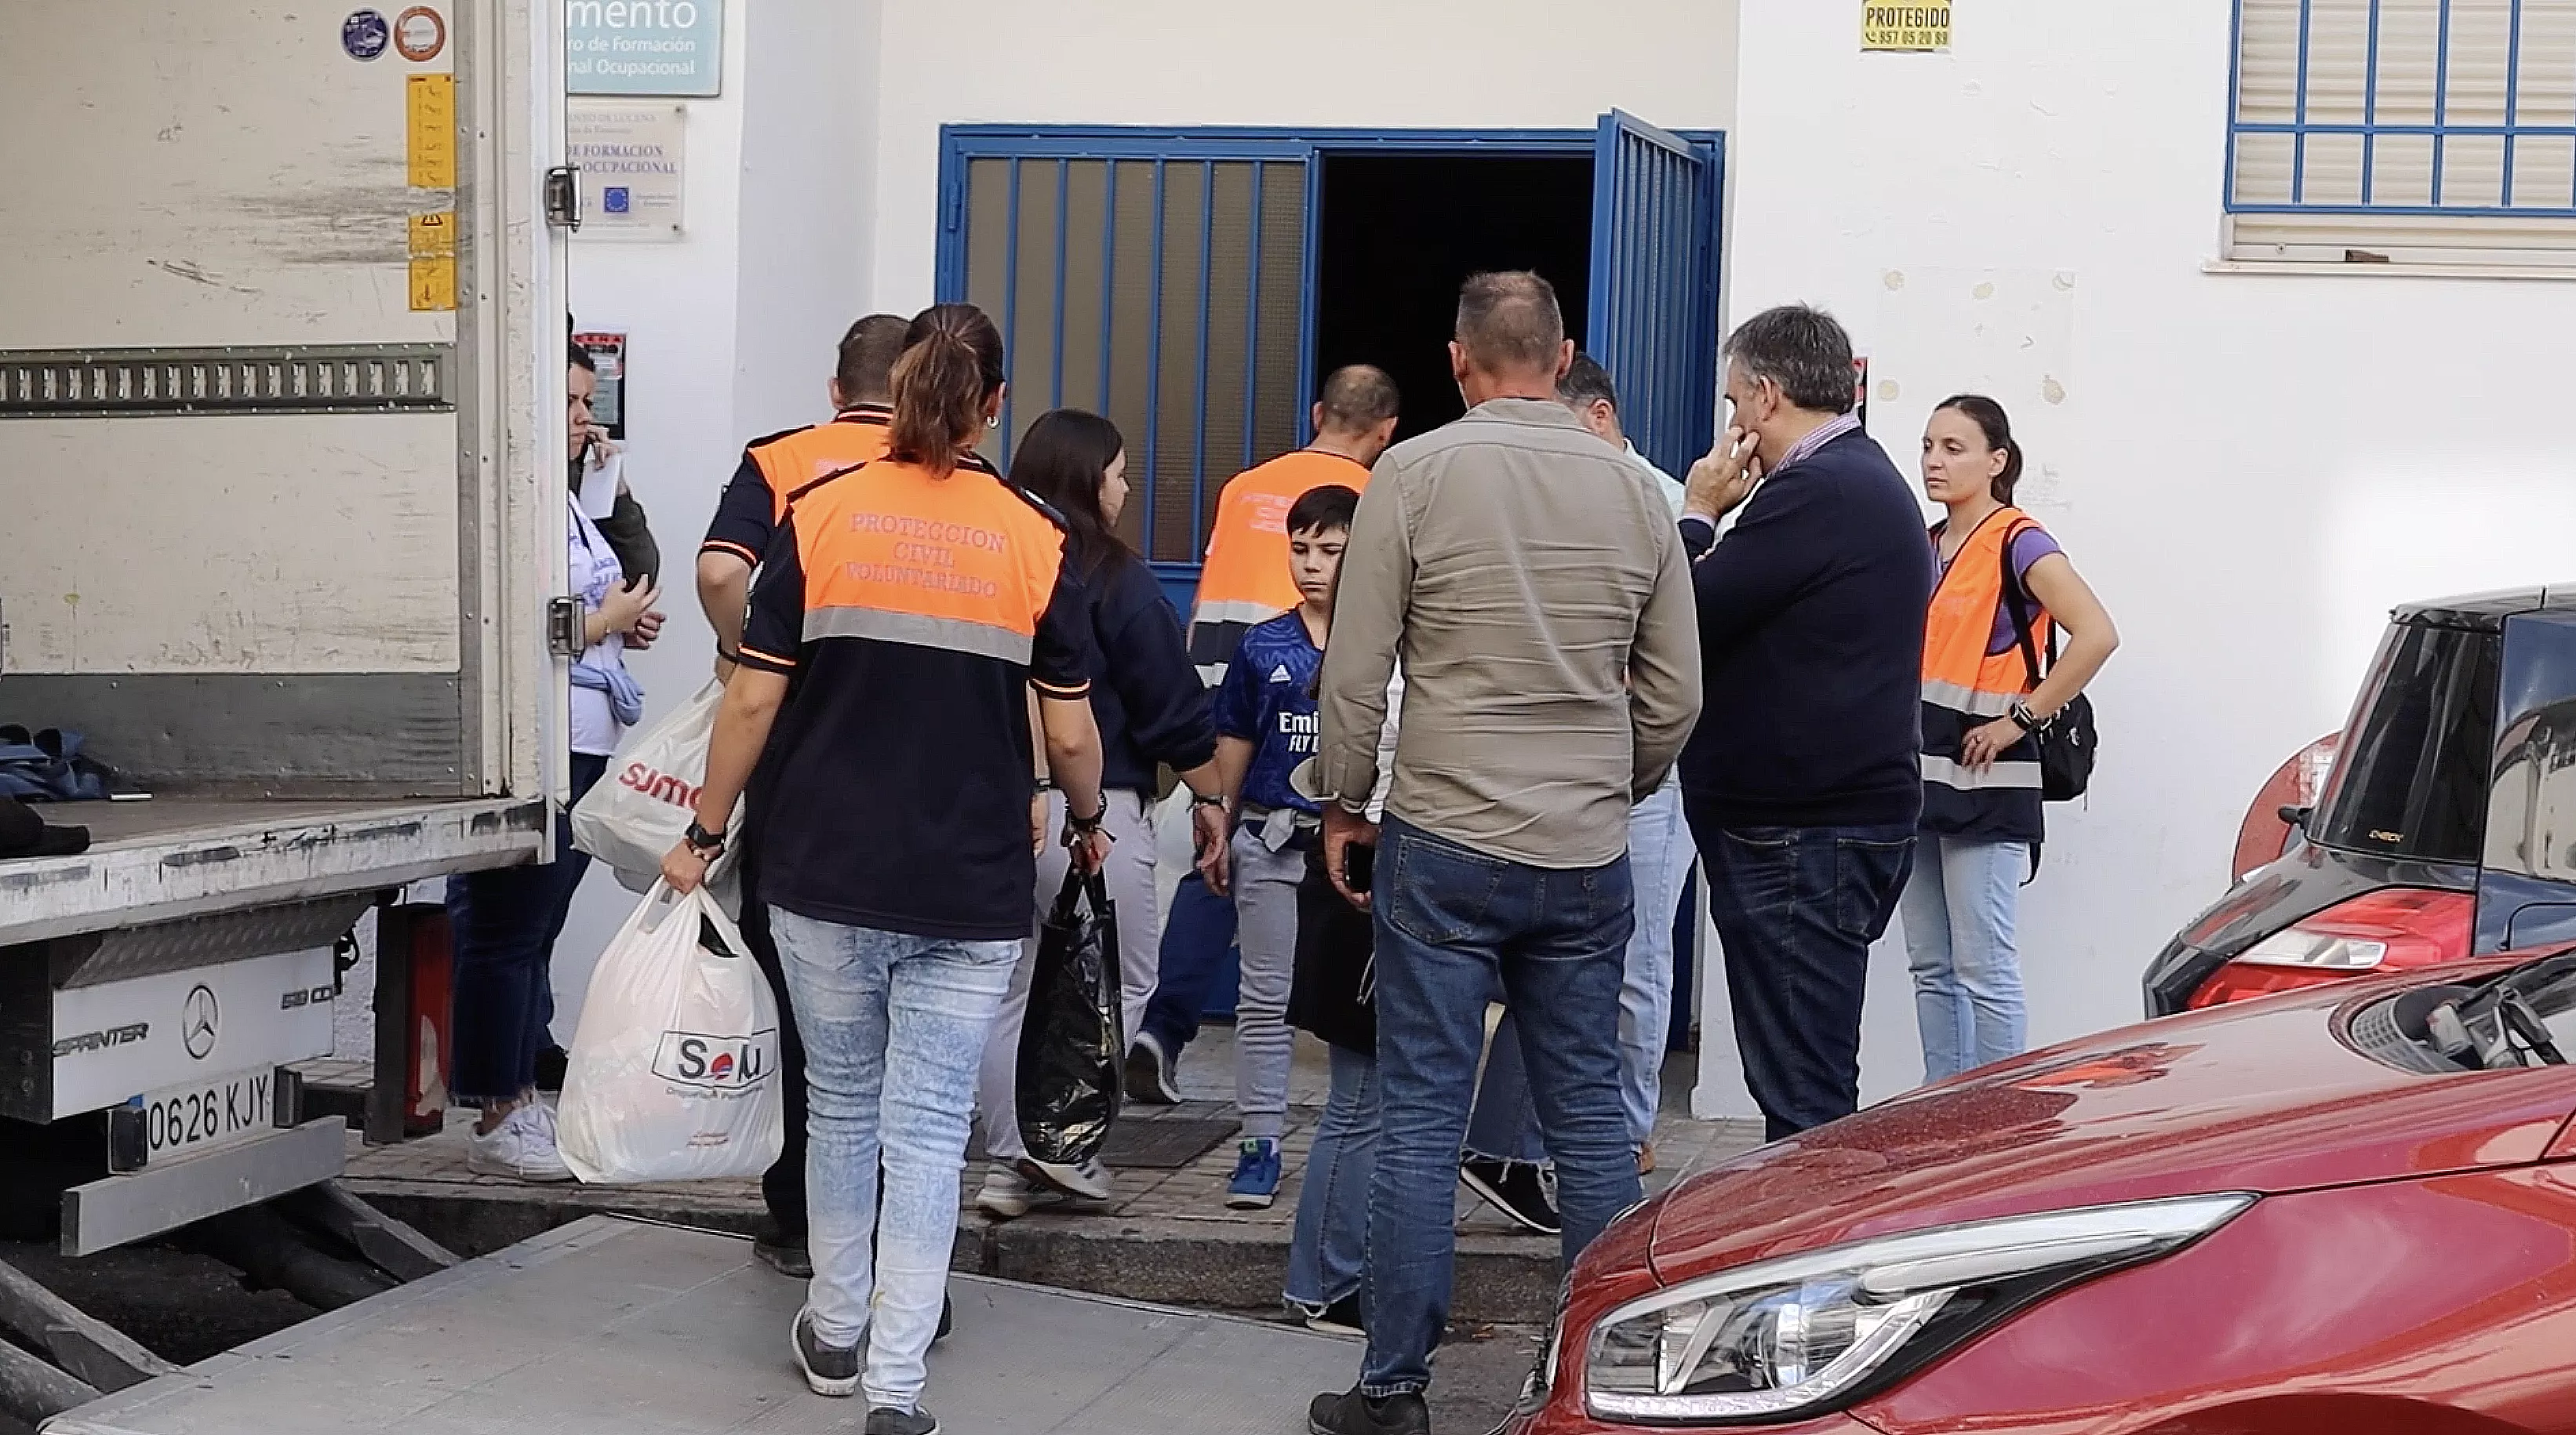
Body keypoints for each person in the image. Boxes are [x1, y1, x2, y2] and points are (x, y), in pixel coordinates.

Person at [660, 302, 1112, 1434]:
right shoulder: (1031, 535)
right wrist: (1091, 815)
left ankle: (836, 1324)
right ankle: (895, 1388)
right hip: (967, 884)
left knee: (846, 1108)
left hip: (821, 871)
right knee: (925, 1128)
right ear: (993, 406)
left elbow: (754, 694)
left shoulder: (817, 514)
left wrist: (705, 832)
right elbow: (1066, 734)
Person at [1308, 271, 1701, 1434]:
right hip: (1583, 845)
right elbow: (1675, 692)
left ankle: (1393, 1388)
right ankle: (1607, 1380)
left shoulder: (1413, 473)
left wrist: (1342, 803)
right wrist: (1615, 781)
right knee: (1586, 1115)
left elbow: (1357, 666)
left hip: (1442, 834)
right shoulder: (1640, 492)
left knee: (1424, 1112)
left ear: (1459, 361)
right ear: (1563, 352)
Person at [1452, 354, 1704, 1230]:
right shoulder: (1573, 494)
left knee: (1624, 964)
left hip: (1628, 767)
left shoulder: (1660, 501)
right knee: (1580, 957)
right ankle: (1554, 1146)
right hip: (1578, 769)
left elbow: (1676, 667)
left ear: (1596, 415)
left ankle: (1591, 1139)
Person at [1675, 303, 1934, 1143]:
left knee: (1803, 1101)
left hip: (1799, 835)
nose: (1729, 423)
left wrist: (1697, 510)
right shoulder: (1854, 479)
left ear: (1762, 396)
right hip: (1818, 827)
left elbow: (1682, 611)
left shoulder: (1819, 489)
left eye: (1729, 405)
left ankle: (1818, 1272)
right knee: (1803, 1077)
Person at [693, 311, 910, 1279]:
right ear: (915, 391)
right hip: (911, 756)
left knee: (794, 978)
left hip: (793, 751)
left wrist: (754, 655)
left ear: (835, 389)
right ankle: (890, 1226)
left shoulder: (779, 461)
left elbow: (716, 569)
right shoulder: (944, 479)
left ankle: (794, 1213)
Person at [973, 409, 1230, 1218]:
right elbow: (1167, 699)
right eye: (1118, 473)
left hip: (993, 806)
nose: (1124, 488)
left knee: (1013, 984)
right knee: (1116, 977)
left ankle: (1009, 1164)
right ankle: (1061, 1147)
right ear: (1088, 480)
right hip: (1094, 807)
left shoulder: (993, 558)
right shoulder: (1111, 576)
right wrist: (1211, 792)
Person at [1126, 365, 1402, 1106]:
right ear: (1387, 432)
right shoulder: (1376, 499)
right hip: (1315, 703)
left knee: (1215, 871)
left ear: (1318, 413)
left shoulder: (1243, 487)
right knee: (1326, 879)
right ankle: (1336, 1034)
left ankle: (1162, 1031)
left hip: (1218, 692)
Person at [449, 343, 663, 1182]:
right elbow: (522, 622)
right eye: (573, 404)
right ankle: (498, 1105)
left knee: (536, 925)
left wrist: (623, 613)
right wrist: (603, 625)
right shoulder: (515, 500)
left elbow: (628, 574)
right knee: (506, 924)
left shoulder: (572, 499)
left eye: (589, 401)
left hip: (582, 735)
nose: (587, 419)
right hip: (534, 738)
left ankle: (522, 1076)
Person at [1905, 395, 2119, 1081]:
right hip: (1919, 773)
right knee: (1931, 966)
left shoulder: (2018, 539)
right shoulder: (1926, 542)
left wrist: (2018, 721)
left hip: (1987, 777)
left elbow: (2097, 634)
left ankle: (1996, 1126)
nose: (1935, 461)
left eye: (1954, 448)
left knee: (1983, 967)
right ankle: (1940, 1111)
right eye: (1930, 445)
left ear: (1997, 461)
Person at [1202, 483, 1358, 1210]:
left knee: (1358, 1002)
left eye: (1330, 549)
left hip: (1360, 849)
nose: (1312, 564)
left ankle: (1352, 1144)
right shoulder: (1264, 643)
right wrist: (1222, 821)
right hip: (1272, 837)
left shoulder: (1384, 644)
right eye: (1300, 549)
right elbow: (1235, 735)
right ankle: (1259, 1140)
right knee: (1264, 998)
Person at [1282, 590, 1403, 1338]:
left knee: (1371, 1104)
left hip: (1360, 876)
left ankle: (1334, 1275)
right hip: (1361, 879)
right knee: (1360, 1102)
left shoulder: (1372, 649)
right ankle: (1322, 1283)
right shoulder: (1377, 664)